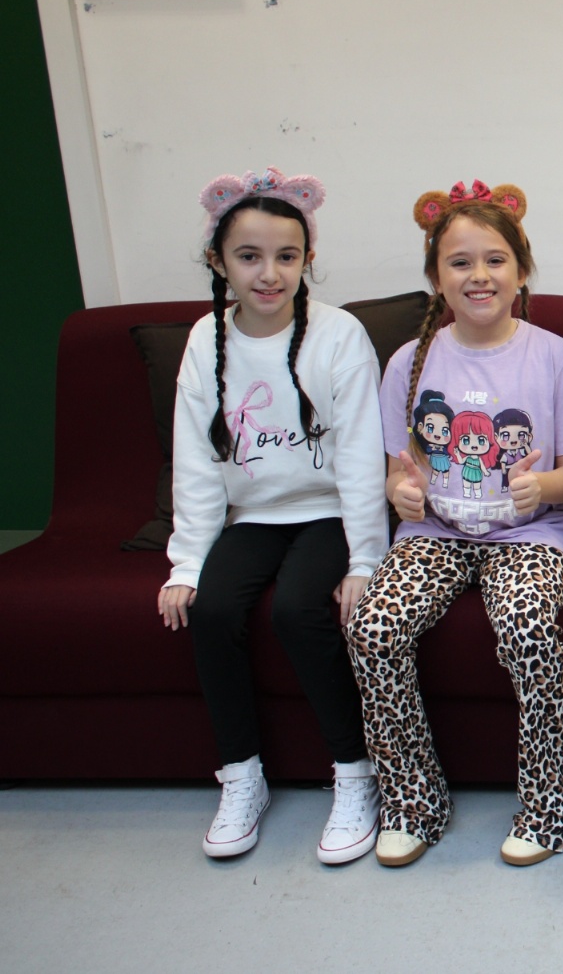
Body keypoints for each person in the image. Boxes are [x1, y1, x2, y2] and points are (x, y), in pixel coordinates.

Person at [345, 180, 563, 868]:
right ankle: (411, 803)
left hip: (534, 533)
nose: (478, 276)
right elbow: (397, 471)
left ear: (522, 270)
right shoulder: (409, 361)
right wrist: (402, 493)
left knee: (526, 625)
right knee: (373, 627)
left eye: (495, 260)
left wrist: (543, 486)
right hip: (436, 533)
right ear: (436, 277)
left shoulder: (553, 354)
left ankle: (553, 802)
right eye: (459, 262)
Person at [158, 166, 386, 863]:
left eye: (287, 256)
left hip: (327, 513)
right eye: (249, 256)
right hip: (253, 517)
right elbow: (197, 461)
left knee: (297, 609)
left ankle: (355, 773)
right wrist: (187, 564)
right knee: (213, 610)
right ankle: (241, 776)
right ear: (218, 262)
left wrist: (365, 559)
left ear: (307, 259)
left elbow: (361, 455)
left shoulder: (339, 334)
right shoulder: (205, 340)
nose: (269, 274)